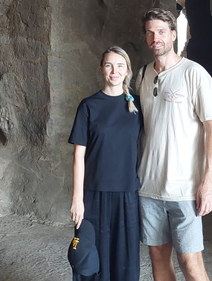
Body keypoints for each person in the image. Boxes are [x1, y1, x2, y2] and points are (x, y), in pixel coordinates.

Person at [135, 8, 212, 281]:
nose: (155, 37)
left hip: (185, 188)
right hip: (148, 187)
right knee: (158, 259)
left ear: (173, 35)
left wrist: (207, 184)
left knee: (190, 263)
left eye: (161, 31)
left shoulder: (194, 74)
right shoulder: (141, 76)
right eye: (150, 32)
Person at [69, 46, 143, 281]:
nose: (114, 70)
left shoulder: (138, 107)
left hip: (127, 194)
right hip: (93, 194)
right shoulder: (88, 106)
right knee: (90, 257)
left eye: (120, 65)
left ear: (127, 70)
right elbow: (78, 156)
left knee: (124, 261)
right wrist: (77, 199)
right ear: (101, 69)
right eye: (109, 65)